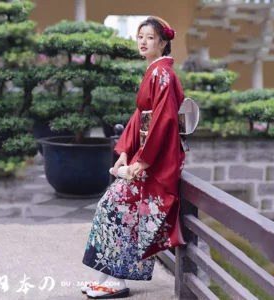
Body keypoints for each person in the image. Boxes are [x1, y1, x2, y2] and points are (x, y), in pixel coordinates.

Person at [81, 16, 187, 299]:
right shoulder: (154, 71)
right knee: (113, 209)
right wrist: (125, 152)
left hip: (155, 161)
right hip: (143, 155)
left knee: (120, 210)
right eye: (140, 36)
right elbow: (140, 116)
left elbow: (163, 121)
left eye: (150, 37)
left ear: (163, 43)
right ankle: (106, 277)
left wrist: (143, 162)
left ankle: (118, 281)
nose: (143, 41)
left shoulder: (163, 74)